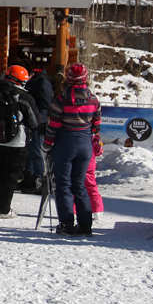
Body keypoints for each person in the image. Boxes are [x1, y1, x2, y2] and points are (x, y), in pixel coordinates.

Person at [43, 62, 100, 236]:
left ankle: (66, 224)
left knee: (63, 185)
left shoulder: (61, 100)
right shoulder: (93, 100)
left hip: (65, 144)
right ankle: (85, 225)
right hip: (85, 145)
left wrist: (46, 145)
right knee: (80, 184)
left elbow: (54, 126)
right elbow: (96, 126)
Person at [0, 66, 40, 218]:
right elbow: (34, 122)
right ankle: (1, 209)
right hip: (16, 142)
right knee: (10, 175)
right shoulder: (23, 96)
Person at [21, 65, 56, 194]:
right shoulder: (33, 83)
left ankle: (39, 179)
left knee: (36, 149)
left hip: (38, 120)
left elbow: (46, 103)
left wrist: (31, 103)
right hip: (31, 119)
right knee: (29, 148)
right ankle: (28, 177)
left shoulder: (42, 82)